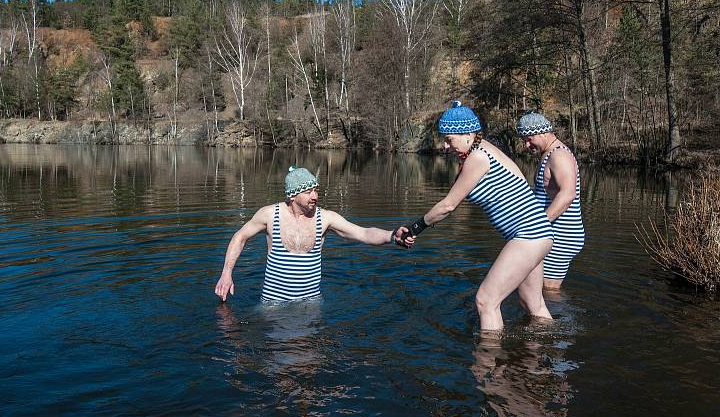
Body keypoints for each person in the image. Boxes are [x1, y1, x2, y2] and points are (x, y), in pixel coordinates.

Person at [398, 101, 554, 330]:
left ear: (469, 134)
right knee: (533, 304)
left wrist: (414, 229)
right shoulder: (487, 151)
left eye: (449, 139)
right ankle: (553, 356)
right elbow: (521, 183)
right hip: (538, 233)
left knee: (486, 301)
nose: (445, 145)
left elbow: (448, 205)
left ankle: (487, 361)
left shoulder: (478, 157)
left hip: (528, 235)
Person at [215, 166, 408, 303]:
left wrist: (392, 235)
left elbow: (363, 233)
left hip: (310, 303)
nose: (315, 196)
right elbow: (239, 237)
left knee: (309, 357)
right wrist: (226, 273)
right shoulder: (270, 214)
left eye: (315, 190)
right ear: (292, 196)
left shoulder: (325, 218)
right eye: (308, 192)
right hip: (273, 303)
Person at [517, 111, 585, 290]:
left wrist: (539, 224)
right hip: (553, 232)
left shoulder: (559, 155)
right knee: (536, 288)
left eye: (530, 138)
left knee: (549, 290)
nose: (526, 144)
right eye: (524, 140)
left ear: (544, 132)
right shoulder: (549, 154)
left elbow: (568, 194)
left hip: (562, 235)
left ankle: (561, 318)